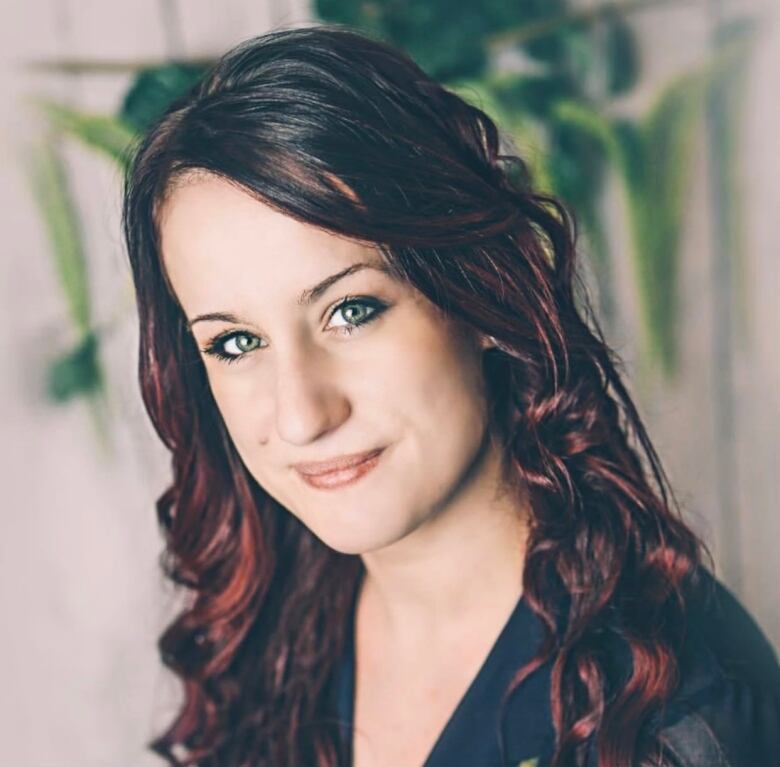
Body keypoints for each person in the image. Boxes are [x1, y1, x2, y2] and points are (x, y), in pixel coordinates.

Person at [121, 23, 780, 767]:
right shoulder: (269, 629)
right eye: (235, 342)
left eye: (351, 310)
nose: (301, 415)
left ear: (479, 294)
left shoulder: (676, 716)